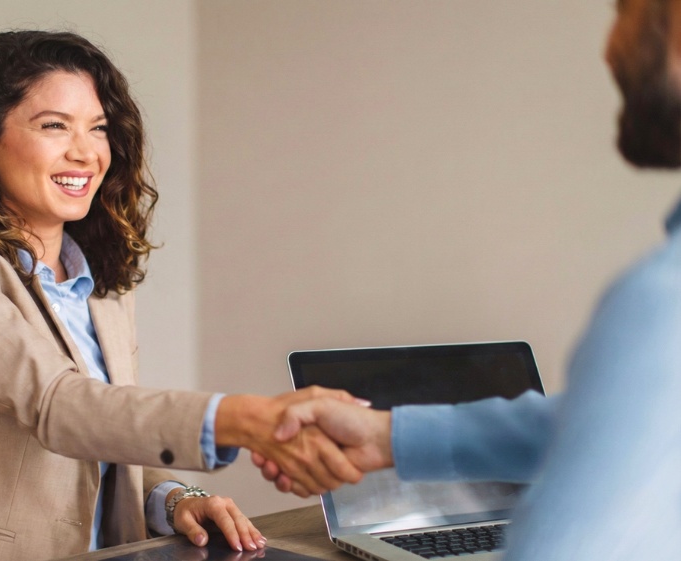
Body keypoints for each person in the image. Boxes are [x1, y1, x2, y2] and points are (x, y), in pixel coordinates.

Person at [0, 30, 363, 561]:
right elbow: (59, 406)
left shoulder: (98, 282)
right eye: (54, 126)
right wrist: (243, 418)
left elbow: (108, 431)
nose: (85, 152)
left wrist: (175, 497)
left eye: (99, 128)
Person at [255, 0, 681, 558]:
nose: (609, 48)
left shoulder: (660, 304)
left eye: (625, 9)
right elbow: (608, 430)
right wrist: (388, 437)